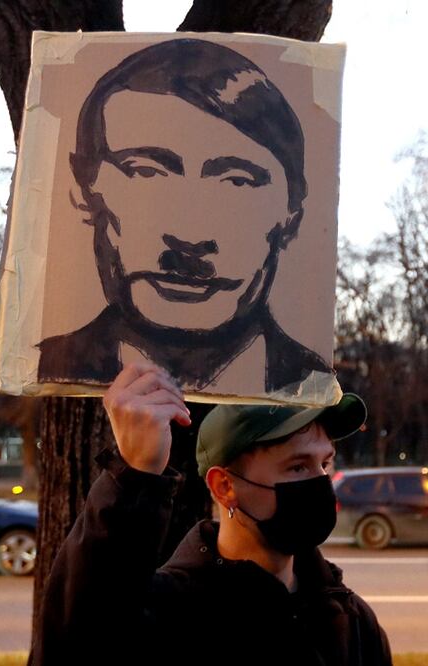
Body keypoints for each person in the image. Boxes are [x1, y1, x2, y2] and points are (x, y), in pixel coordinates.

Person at [36, 362, 392, 666]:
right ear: (224, 486)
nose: (319, 481)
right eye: (297, 467)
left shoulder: (352, 621)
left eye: (325, 463)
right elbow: (74, 646)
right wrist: (135, 475)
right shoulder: (167, 614)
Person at [37, 38, 333, 394]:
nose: (190, 236)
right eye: (146, 172)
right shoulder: (43, 365)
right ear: (83, 191)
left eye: (237, 182)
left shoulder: (315, 387)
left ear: (292, 214)